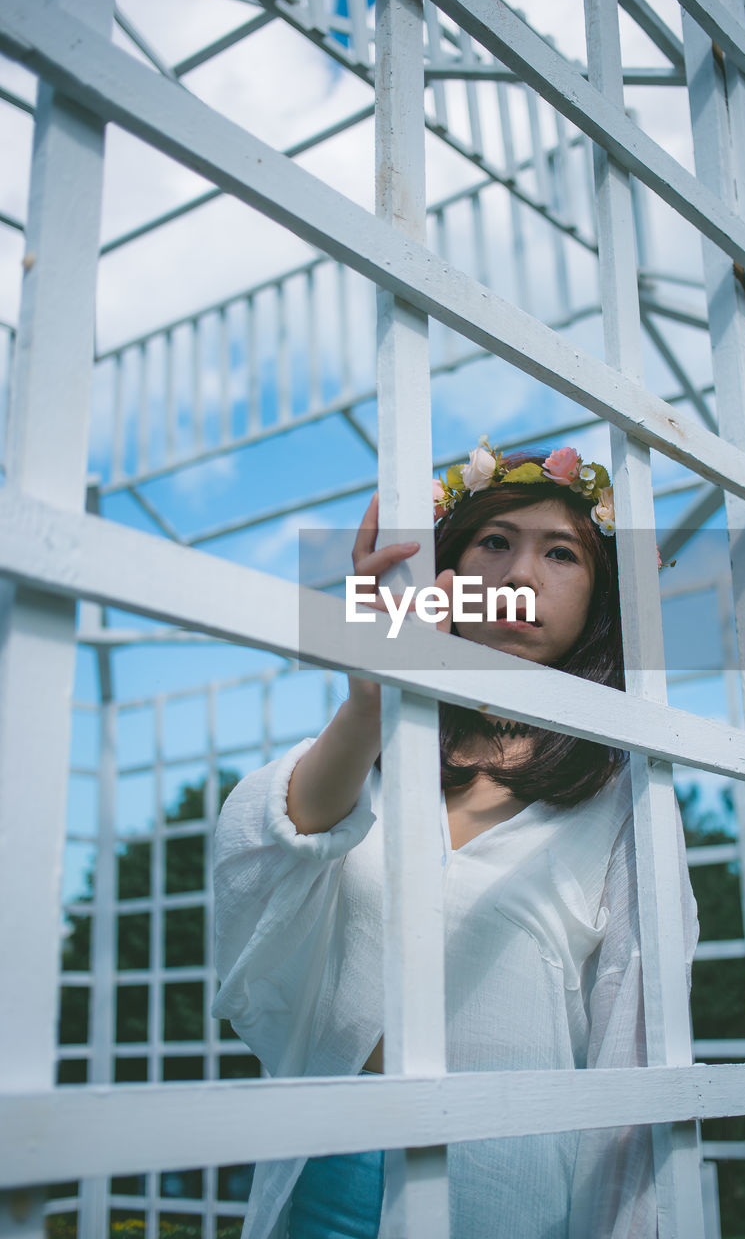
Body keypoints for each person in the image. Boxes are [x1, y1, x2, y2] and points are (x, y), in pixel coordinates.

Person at [212, 440, 698, 1239]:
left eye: (561, 552)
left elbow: (636, 1040)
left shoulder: (624, 796)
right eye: (493, 542)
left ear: (597, 598)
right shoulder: (379, 751)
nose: (518, 577)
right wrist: (368, 703)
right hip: (325, 1170)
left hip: (506, 1188)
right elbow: (261, 862)